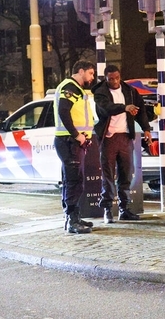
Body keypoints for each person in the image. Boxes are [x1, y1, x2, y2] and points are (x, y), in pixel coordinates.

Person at [93, 64, 151, 223]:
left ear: (120, 76)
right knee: (108, 175)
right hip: (109, 138)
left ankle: (124, 209)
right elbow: (106, 108)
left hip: (125, 137)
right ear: (105, 78)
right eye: (110, 79)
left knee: (126, 173)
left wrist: (146, 129)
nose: (114, 81)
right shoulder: (100, 93)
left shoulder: (130, 91)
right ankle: (107, 210)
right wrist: (125, 107)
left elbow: (141, 110)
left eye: (117, 78)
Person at [54, 59, 98, 234]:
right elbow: (64, 111)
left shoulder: (76, 89)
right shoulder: (70, 87)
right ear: (81, 71)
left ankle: (75, 217)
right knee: (73, 182)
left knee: (75, 181)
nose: (92, 77)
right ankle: (71, 221)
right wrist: (77, 135)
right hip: (69, 141)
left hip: (73, 142)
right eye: (90, 73)